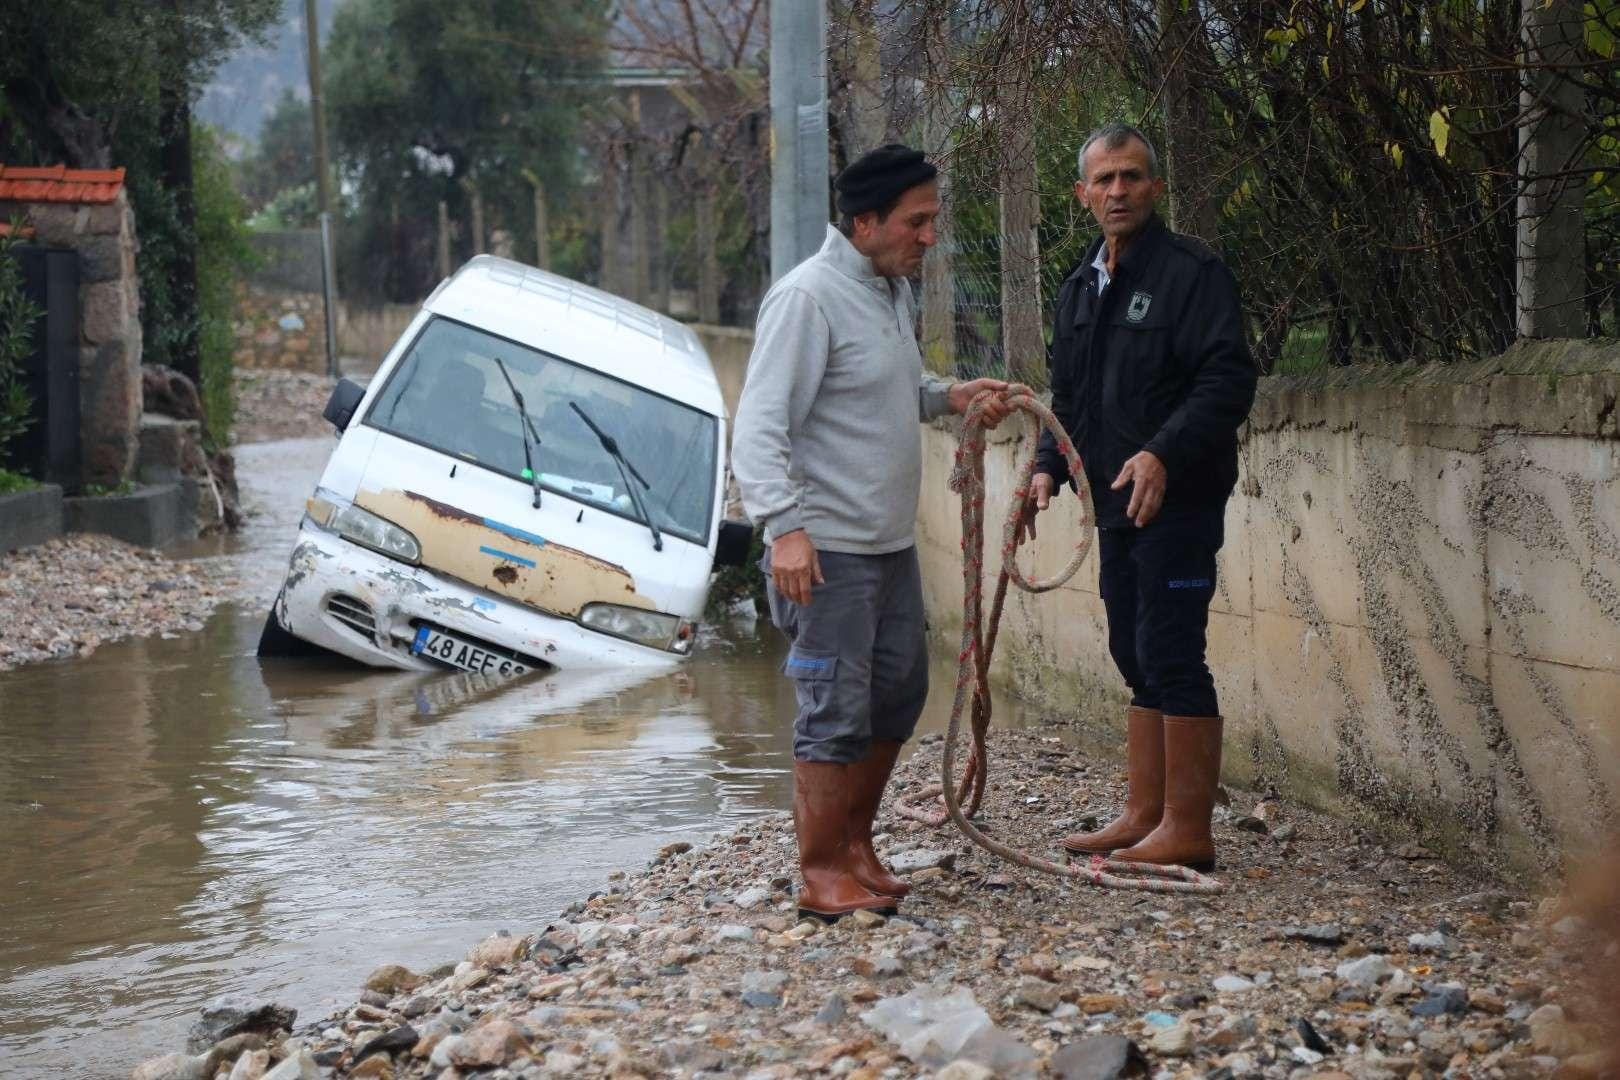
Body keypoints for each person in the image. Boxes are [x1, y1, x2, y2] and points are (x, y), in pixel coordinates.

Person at [732, 144, 1013, 921]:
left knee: (897, 693)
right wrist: (784, 529)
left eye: (933, 221)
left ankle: (856, 847)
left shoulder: (886, 289)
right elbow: (757, 427)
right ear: (864, 222)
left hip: (887, 547)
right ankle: (821, 870)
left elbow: (879, 385)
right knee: (833, 705)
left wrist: (947, 395)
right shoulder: (808, 298)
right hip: (825, 554)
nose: (930, 238)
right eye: (916, 223)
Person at [1023, 123, 1256, 872]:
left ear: (1154, 187)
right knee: (1131, 645)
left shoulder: (1194, 274)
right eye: (1104, 180)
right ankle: (1144, 812)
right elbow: (1070, 399)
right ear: (1082, 195)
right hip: (1113, 504)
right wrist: (1045, 469)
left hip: (1179, 499)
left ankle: (1188, 829)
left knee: (1171, 650)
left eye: (1131, 177)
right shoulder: (1078, 285)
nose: (1118, 191)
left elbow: (1228, 381)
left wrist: (1162, 451)